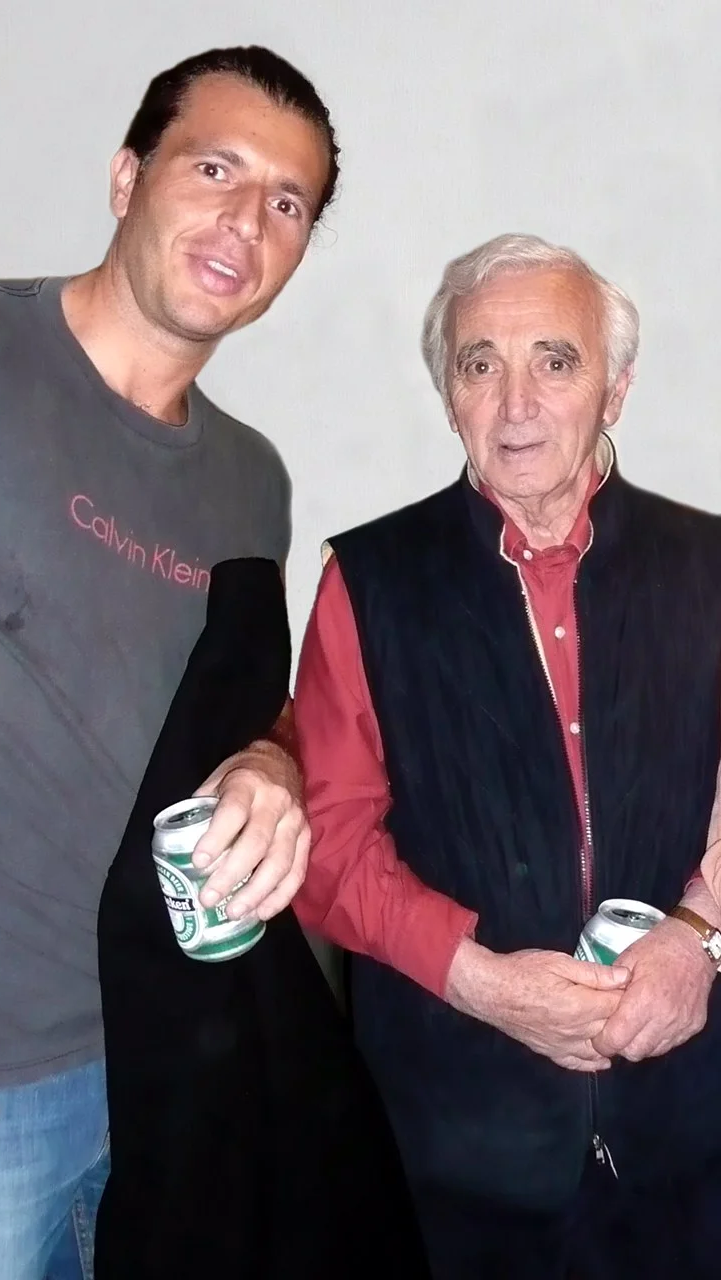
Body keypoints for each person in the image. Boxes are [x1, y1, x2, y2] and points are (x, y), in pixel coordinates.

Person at [0, 44, 338, 1280]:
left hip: (154, 1069)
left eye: (286, 202)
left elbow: (244, 710)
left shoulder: (253, 482)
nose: (247, 219)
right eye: (214, 167)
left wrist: (270, 766)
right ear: (127, 176)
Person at [293, 232, 721, 1278]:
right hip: (458, 1150)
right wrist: (478, 977)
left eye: (553, 360)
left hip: (691, 1132)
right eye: (479, 363)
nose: (515, 399)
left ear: (612, 391)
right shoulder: (372, 579)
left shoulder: (708, 565)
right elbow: (331, 844)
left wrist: (698, 933)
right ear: (450, 398)